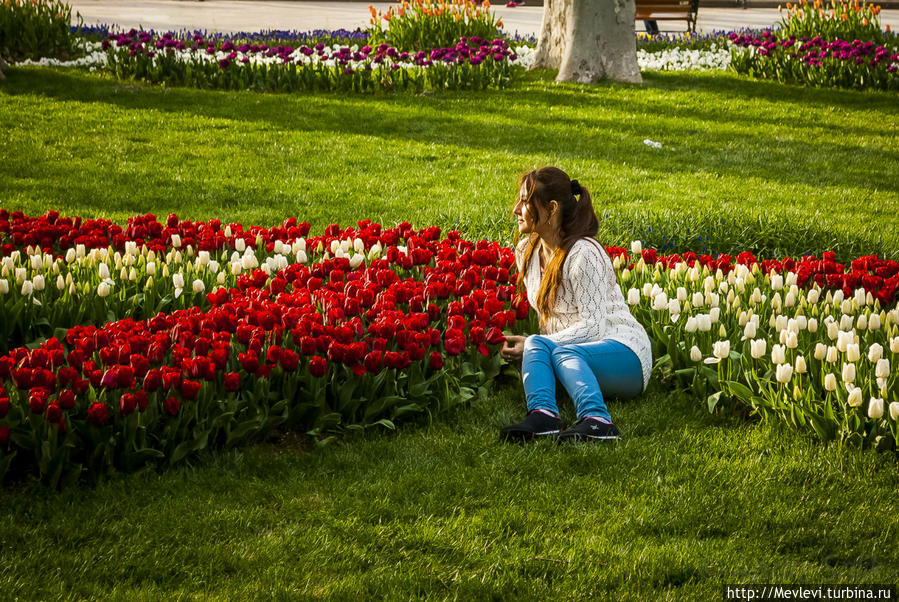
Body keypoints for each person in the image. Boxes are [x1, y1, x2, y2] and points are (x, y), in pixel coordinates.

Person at [499, 167, 652, 442]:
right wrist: (537, 348)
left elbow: (594, 328)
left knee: (560, 351)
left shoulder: (584, 254)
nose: (516, 209)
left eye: (525, 202)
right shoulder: (526, 251)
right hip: (575, 356)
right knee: (549, 348)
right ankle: (543, 417)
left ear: (551, 208)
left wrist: (541, 344)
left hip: (625, 353)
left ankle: (597, 421)